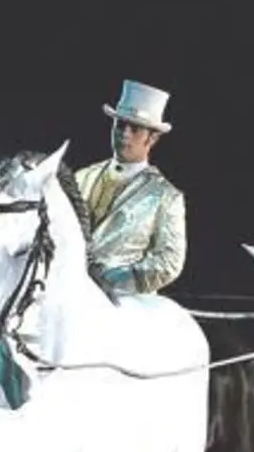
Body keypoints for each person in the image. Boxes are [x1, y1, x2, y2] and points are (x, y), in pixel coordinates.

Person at [74, 80, 187, 296]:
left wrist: (117, 279)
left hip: (125, 302)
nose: (124, 134)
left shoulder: (166, 196)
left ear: (152, 138)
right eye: (120, 125)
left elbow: (170, 261)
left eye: (135, 129)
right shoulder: (82, 177)